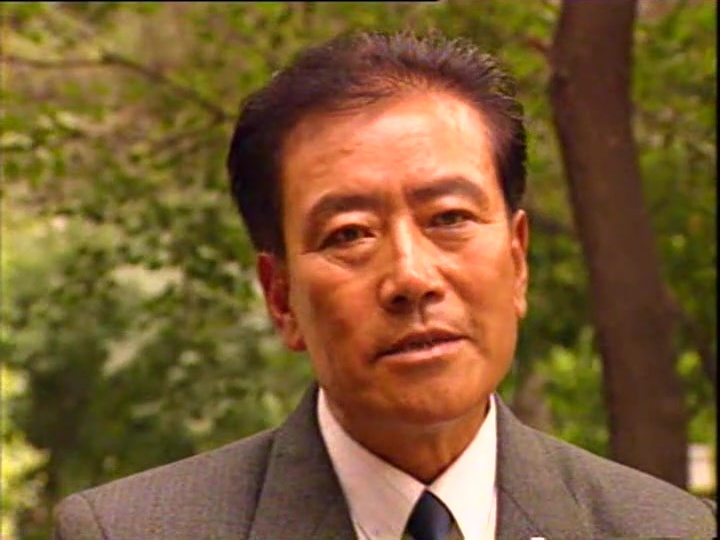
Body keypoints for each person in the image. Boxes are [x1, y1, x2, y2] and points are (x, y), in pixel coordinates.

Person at [53, 30, 715, 540]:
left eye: (449, 218)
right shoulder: (131, 530)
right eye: (349, 234)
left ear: (517, 261)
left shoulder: (667, 529)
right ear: (281, 298)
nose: (412, 277)